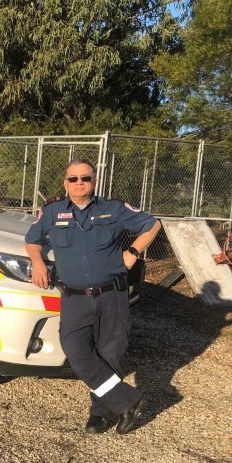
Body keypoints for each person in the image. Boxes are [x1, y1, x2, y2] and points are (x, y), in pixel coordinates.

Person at [24, 159, 162, 434]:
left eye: (84, 178)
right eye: (73, 179)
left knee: (110, 352)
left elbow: (153, 224)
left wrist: (132, 253)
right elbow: (32, 239)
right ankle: (127, 400)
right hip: (75, 297)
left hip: (112, 294)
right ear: (65, 183)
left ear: (94, 181)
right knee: (75, 350)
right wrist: (37, 262)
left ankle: (101, 413)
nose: (79, 183)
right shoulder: (52, 212)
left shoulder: (113, 209)